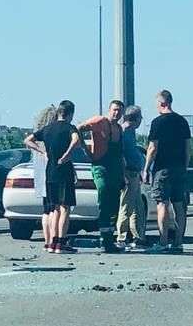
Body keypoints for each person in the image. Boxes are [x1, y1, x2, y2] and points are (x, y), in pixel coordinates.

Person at [25, 100, 81, 253]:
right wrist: (67, 154)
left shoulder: (47, 129)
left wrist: (42, 152)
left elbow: (28, 140)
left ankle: (52, 243)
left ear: (58, 113)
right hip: (64, 172)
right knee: (65, 208)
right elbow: (76, 139)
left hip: (50, 173)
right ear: (70, 114)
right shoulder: (70, 128)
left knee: (54, 208)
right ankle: (62, 242)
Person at [142, 89, 192, 253]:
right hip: (179, 167)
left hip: (163, 168)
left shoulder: (158, 122)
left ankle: (163, 242)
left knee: (162, 204)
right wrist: (184, 166)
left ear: (161, 103)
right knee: (179, 205)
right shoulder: (182, 122)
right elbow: (187, 148)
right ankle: (178, 242)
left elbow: (152, 148)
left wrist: (146, 168)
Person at [78, 99, 125, 254]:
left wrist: (122, 175)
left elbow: (120, 154)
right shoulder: (99, 121)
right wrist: (86, 149)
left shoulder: (119, 129)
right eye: (114, 110)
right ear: (109, 109)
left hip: (116, 169)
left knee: (114, 205)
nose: (116, 113)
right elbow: (78, 129)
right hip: (100, 166)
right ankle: (104, 239)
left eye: (119, 111)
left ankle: (109, 239)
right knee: (103, 196)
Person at [116, 105, 147, 249]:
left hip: (135, 172)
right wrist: (123, 175)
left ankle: (138, 237)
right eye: (140, 118)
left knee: (138, 207)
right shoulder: (124, 132)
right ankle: (121, 237)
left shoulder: (131, 132)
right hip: (128, 172)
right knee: (126, 206)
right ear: (136, 119)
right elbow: (120, 155)